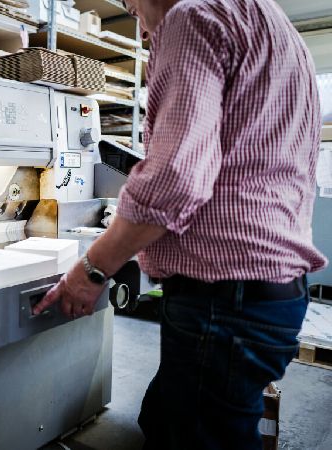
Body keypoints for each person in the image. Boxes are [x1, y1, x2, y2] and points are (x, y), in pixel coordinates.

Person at [33, 0, 328, 448]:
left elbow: (175, 178)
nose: (139, 25)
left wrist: (90, 271)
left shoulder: (192, 17)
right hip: (273, 294)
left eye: (133, 8)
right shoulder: (270, 23)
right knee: (169, 417)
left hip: (226, 297)